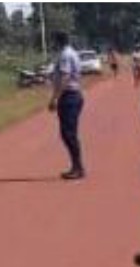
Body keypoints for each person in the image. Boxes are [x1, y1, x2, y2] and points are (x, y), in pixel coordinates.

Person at [48, 31, 85, 180]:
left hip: (69, 96)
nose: (53, 44)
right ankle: (76, 166)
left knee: (69, 134)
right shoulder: (71, 53)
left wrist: (55, 98)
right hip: (72, 96)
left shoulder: (65, 55)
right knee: (68, 134)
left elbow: (65, 76)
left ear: (58, 41)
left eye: (54, 41)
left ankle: (78, 168)